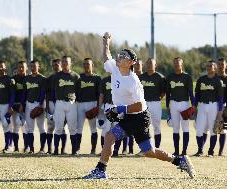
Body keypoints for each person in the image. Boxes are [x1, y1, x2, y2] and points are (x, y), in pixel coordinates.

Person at [83, 32, 195, 179]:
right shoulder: (115, 68)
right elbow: (106, 57)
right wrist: (106, 42)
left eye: (124, 56)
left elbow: (140, 106)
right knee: (141, 148)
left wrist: (120, 109)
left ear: (131, 63)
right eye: (120, 54)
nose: (119, 57)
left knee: (133, 145)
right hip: (130, 116)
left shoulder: (133, 81)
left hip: (139, 117)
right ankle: (179, 160)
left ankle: (101, 171)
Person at [193, 60, 224, 157]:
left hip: (213, 106)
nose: (209, 67)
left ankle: (211, 151)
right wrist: (194, 106)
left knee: (213, 129)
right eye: (207, 66)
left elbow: (220, 98)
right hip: (202, 105)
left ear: (215, 68)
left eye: (211, 66)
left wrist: (220, 112)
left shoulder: (218, 81)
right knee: (199, 129)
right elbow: (197, 94)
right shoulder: (201, 79)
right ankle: (200, 150)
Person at [166, 57, 194, 156]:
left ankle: (184, 151)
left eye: (178, 63)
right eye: (175, 63)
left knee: (185, 128)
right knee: (175, 128)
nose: (177, 65)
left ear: (182, 64)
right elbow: (168, 93)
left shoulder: (187, 77)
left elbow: (191, 92)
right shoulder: (170, 77)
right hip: (173, 104)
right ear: (173, 65)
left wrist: (193, 105)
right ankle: (177, 151)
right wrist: (167, 106)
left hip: (184, 104)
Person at [52, 56, 79, 155]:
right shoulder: (56, 76)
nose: (64, 63)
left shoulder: (75, 76)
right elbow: (52, 90)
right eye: (63, 62)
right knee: (58, 127)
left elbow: (78, 91)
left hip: (71, 103)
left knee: (72, 128)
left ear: (70, 63)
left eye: (66, 62)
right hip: (59, 103)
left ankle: (74, 150)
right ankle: (56, 150)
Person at [20, 59, 47, 154]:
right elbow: (24, 93)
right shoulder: (27, 78)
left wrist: (40, 105)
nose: (32, 68)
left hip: (38, 104)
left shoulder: (42, 78)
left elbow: (43, 92)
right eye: (31, 66)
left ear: (39, 67)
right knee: (30, 128)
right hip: (28, 104)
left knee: (41, 127)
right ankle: (31, 149)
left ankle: (42, 149)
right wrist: (22, 104)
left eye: (34, 66)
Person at [76, 58, 101, 154]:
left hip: (92, 103)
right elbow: (76, 91)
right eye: (85, 64)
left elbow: (99, 94)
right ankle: (77, 148)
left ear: (92, 65)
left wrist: (98, 106)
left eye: (88, 64)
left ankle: (93, 149)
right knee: (79, 127)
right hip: (80, 104)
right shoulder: (79, 77)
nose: (86, 65)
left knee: (93, 128)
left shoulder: (97, 78)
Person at [139, 58, 166, 148]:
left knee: (157, 126)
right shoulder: (141, 77)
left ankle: (157, 148)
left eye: (152, 63)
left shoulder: (160, 77)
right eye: (148, 63)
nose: (150, 65)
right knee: (144, 126)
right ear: (146, 65)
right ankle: (146, 148)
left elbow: (163, 91)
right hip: (144, 103)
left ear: (155, 65)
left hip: (155, 103)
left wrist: (159, 98)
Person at [0, 60, 15, 153]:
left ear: (5, 68)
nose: (0, 68)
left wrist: (10, 106)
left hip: (5, 106)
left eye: (2, 66)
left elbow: (12, 94)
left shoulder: (9, 79)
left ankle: (7, 146)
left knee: (6, 126)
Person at [45, 59, 67, 154]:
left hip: (62, 103)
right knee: (50, 127)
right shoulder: (50, 78)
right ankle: (50, 149)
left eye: (57, 64)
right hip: (52, 103)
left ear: (61, 65)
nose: (55, 66)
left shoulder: (66, 76)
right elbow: (47, 93)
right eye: (53, 65)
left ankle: (62, 149)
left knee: (62, 127)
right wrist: (47, 106)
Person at [12, 61, 28, 153]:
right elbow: (11, 94)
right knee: (15, 127)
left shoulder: (29, 79)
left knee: (25, 127)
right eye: (19, 67)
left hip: (26, 106)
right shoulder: (13, 79)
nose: (21, 69)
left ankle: (26, 147)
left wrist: (24, 105)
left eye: (22, 67)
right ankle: (16, 147)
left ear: (26, 68)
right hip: (15, 105)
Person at [216, 58, 227, 156]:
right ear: (217, 66)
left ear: (226, 66)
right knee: (209, 128)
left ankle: (220, 151)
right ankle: (208, 150)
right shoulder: (214, 78)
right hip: (212, 105)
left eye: (222, 64)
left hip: (224, 106)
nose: (221, 66)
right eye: (219, 64)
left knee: (222, 128)